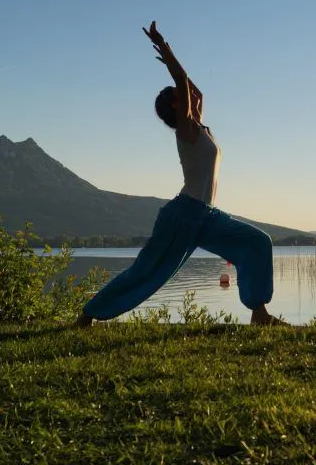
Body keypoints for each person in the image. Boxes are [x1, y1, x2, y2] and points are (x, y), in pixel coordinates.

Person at [75, 21, 287, 327]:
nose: (188, 94)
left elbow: (196, 91)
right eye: (181, 94)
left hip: (207, 216)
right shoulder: (185, 129)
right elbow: (183, 80)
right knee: (146, 271)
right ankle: (89, 313)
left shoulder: (198, 127)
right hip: (183, 217)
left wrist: (175, 69)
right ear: (177, 105)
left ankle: (260, 314)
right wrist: (165, 49)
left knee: (258, 243)